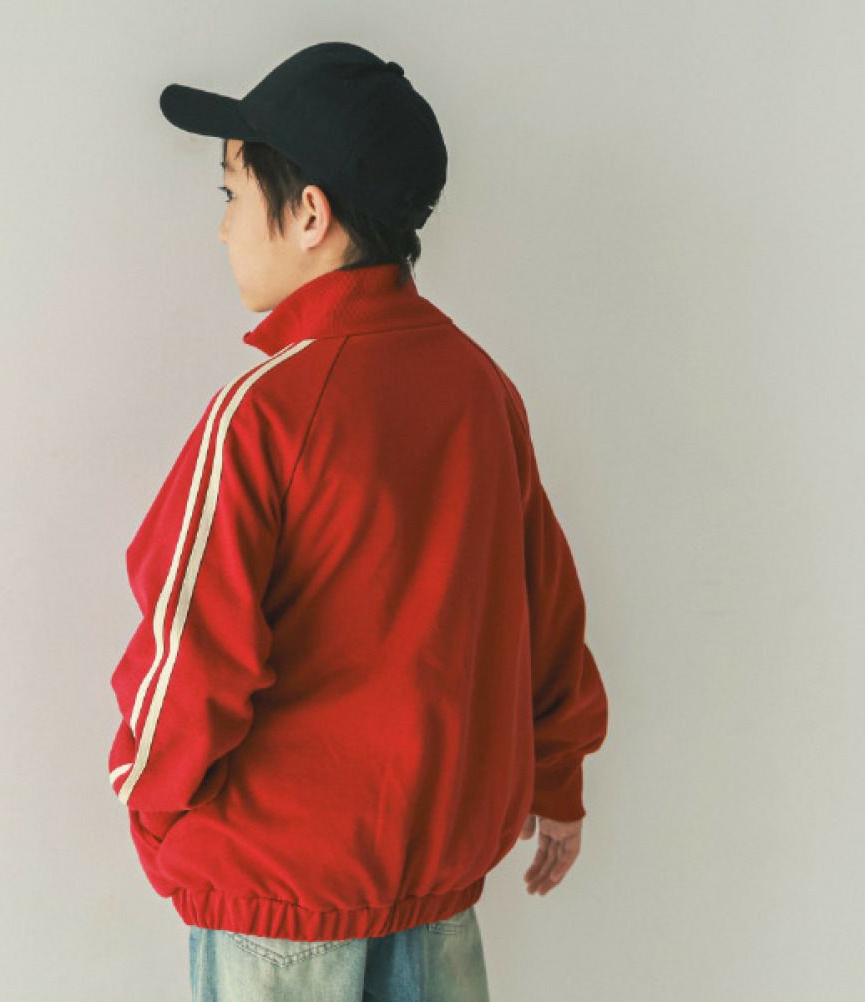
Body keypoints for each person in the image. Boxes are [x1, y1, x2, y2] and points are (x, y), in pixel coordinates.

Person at [106, 41, 609, 1002]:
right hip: (436, 898)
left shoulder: (263, 414)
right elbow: (544, 608)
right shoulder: (481, 390)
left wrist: (153, 809)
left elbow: (190, 653)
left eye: (230, 195)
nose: (222, 229)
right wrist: (556, 778)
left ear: (309, 213)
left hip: (275, 908)